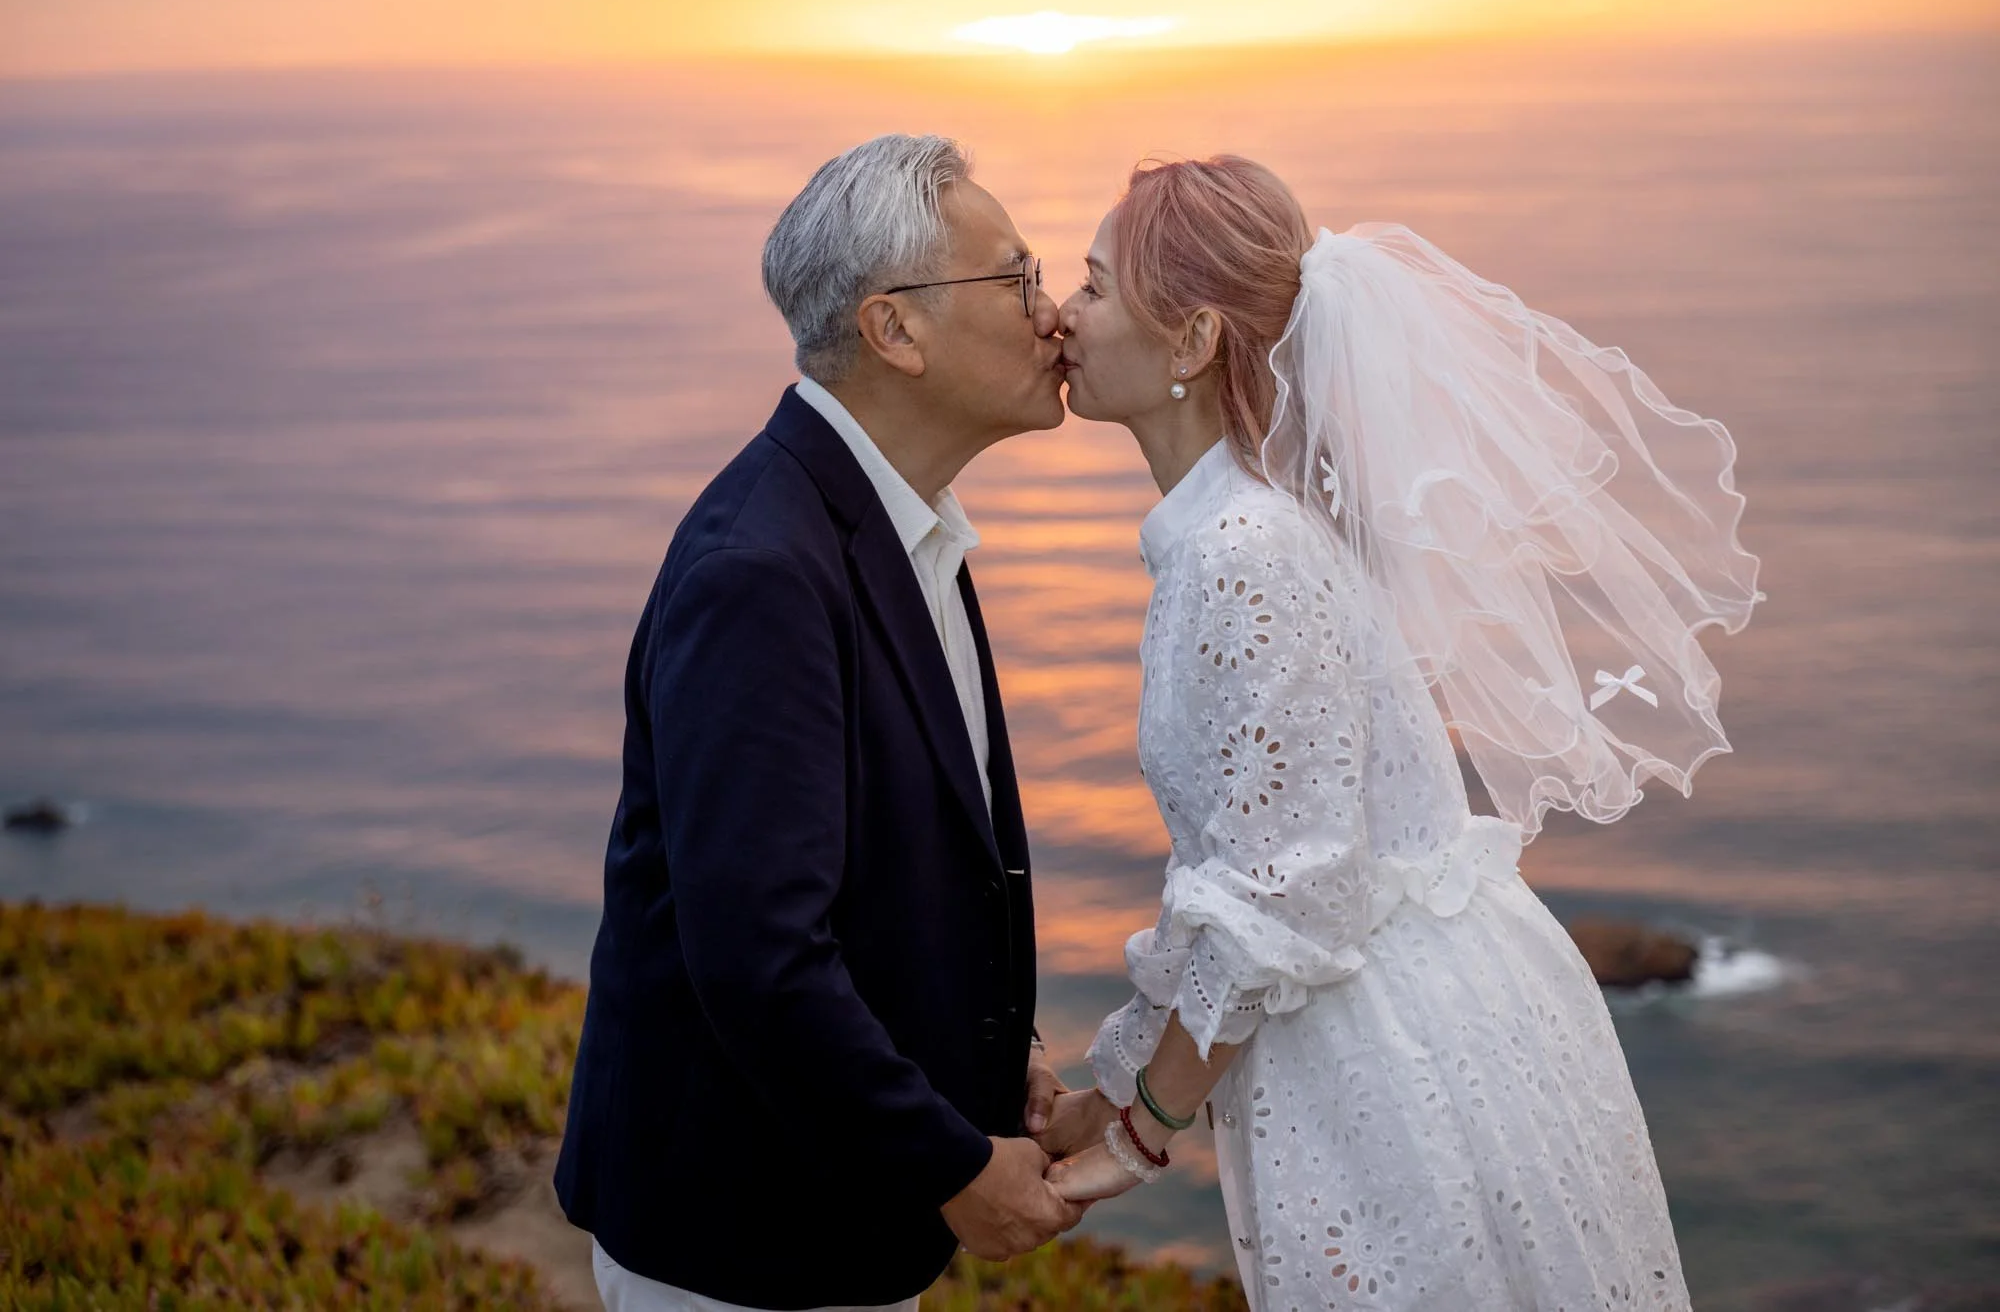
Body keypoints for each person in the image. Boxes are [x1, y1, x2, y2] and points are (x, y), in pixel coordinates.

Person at [1035, 156, 1762, 1310]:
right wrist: (1115, 1081)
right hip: (1389, 1010)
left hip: (1389, 1053)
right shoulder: (1228, 534)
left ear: (1190, 344)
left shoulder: (1244, 555)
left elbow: (1284, 891)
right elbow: (1233, 877)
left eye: (1093, 286)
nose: (1059, 312)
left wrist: (1139, 1134)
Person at [554, 133, 1080, 1312]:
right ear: (895, 330)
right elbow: (759, 956)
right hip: (742, 1238)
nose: (1052, 315)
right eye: (1017, 276)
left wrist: (997, 1064)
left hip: (822, 1212)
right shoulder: (763, 571)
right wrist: (952, 1166)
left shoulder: (902, 520)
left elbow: (896, 874)